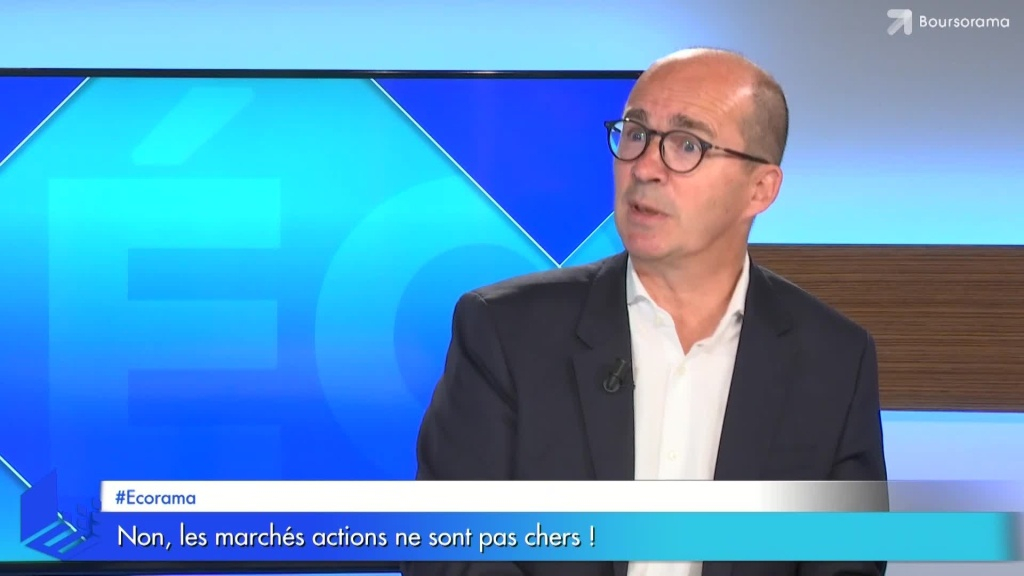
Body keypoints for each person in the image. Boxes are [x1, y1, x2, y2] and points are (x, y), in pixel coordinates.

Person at [401, 48, 887, 576]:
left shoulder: (834, 361)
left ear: (759, 189)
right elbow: (448, 551)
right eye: (635, 133)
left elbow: (847, 563)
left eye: (687, 144)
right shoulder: (504, 331)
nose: (645, 166)